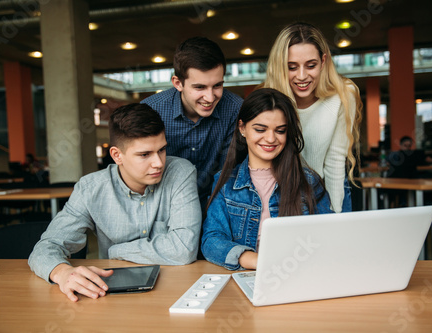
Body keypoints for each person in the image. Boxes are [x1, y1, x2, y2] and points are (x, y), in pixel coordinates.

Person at [29, 103, 202, 302]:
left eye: (162, 150)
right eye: (144, 154)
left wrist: (116, 250)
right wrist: (62, 272)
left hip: (176, 290)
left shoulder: (180, 172)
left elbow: (183, 249)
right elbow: (46, 247)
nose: (159, 163)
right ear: (116, 155)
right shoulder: (90, 188)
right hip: (110, 296)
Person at [201, 88, 332, 271]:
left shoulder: (308, 182)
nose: (270, 139)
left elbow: (330, 236)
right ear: (242, 128)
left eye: (280, 131)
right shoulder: (225, 182)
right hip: (247, 276)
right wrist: (257, 260)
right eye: (260, 129)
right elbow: (211, 240)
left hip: (299, 275)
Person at [263, 22, 363, 213]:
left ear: (323, 61)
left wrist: (335, 215)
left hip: (327, 191)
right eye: (292, 67)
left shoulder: (343, 94)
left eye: (311, 65)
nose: (302, 76)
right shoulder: (271, 98)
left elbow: (334, 161)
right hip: (282, 193)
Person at [141, 36, 243, 209]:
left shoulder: (236, 109)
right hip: (162, 208)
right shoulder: (150, 110)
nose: (210, 98)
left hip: (217, 206)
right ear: (178, 83)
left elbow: (230, 173)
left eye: (217, 85)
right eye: (200, 87)